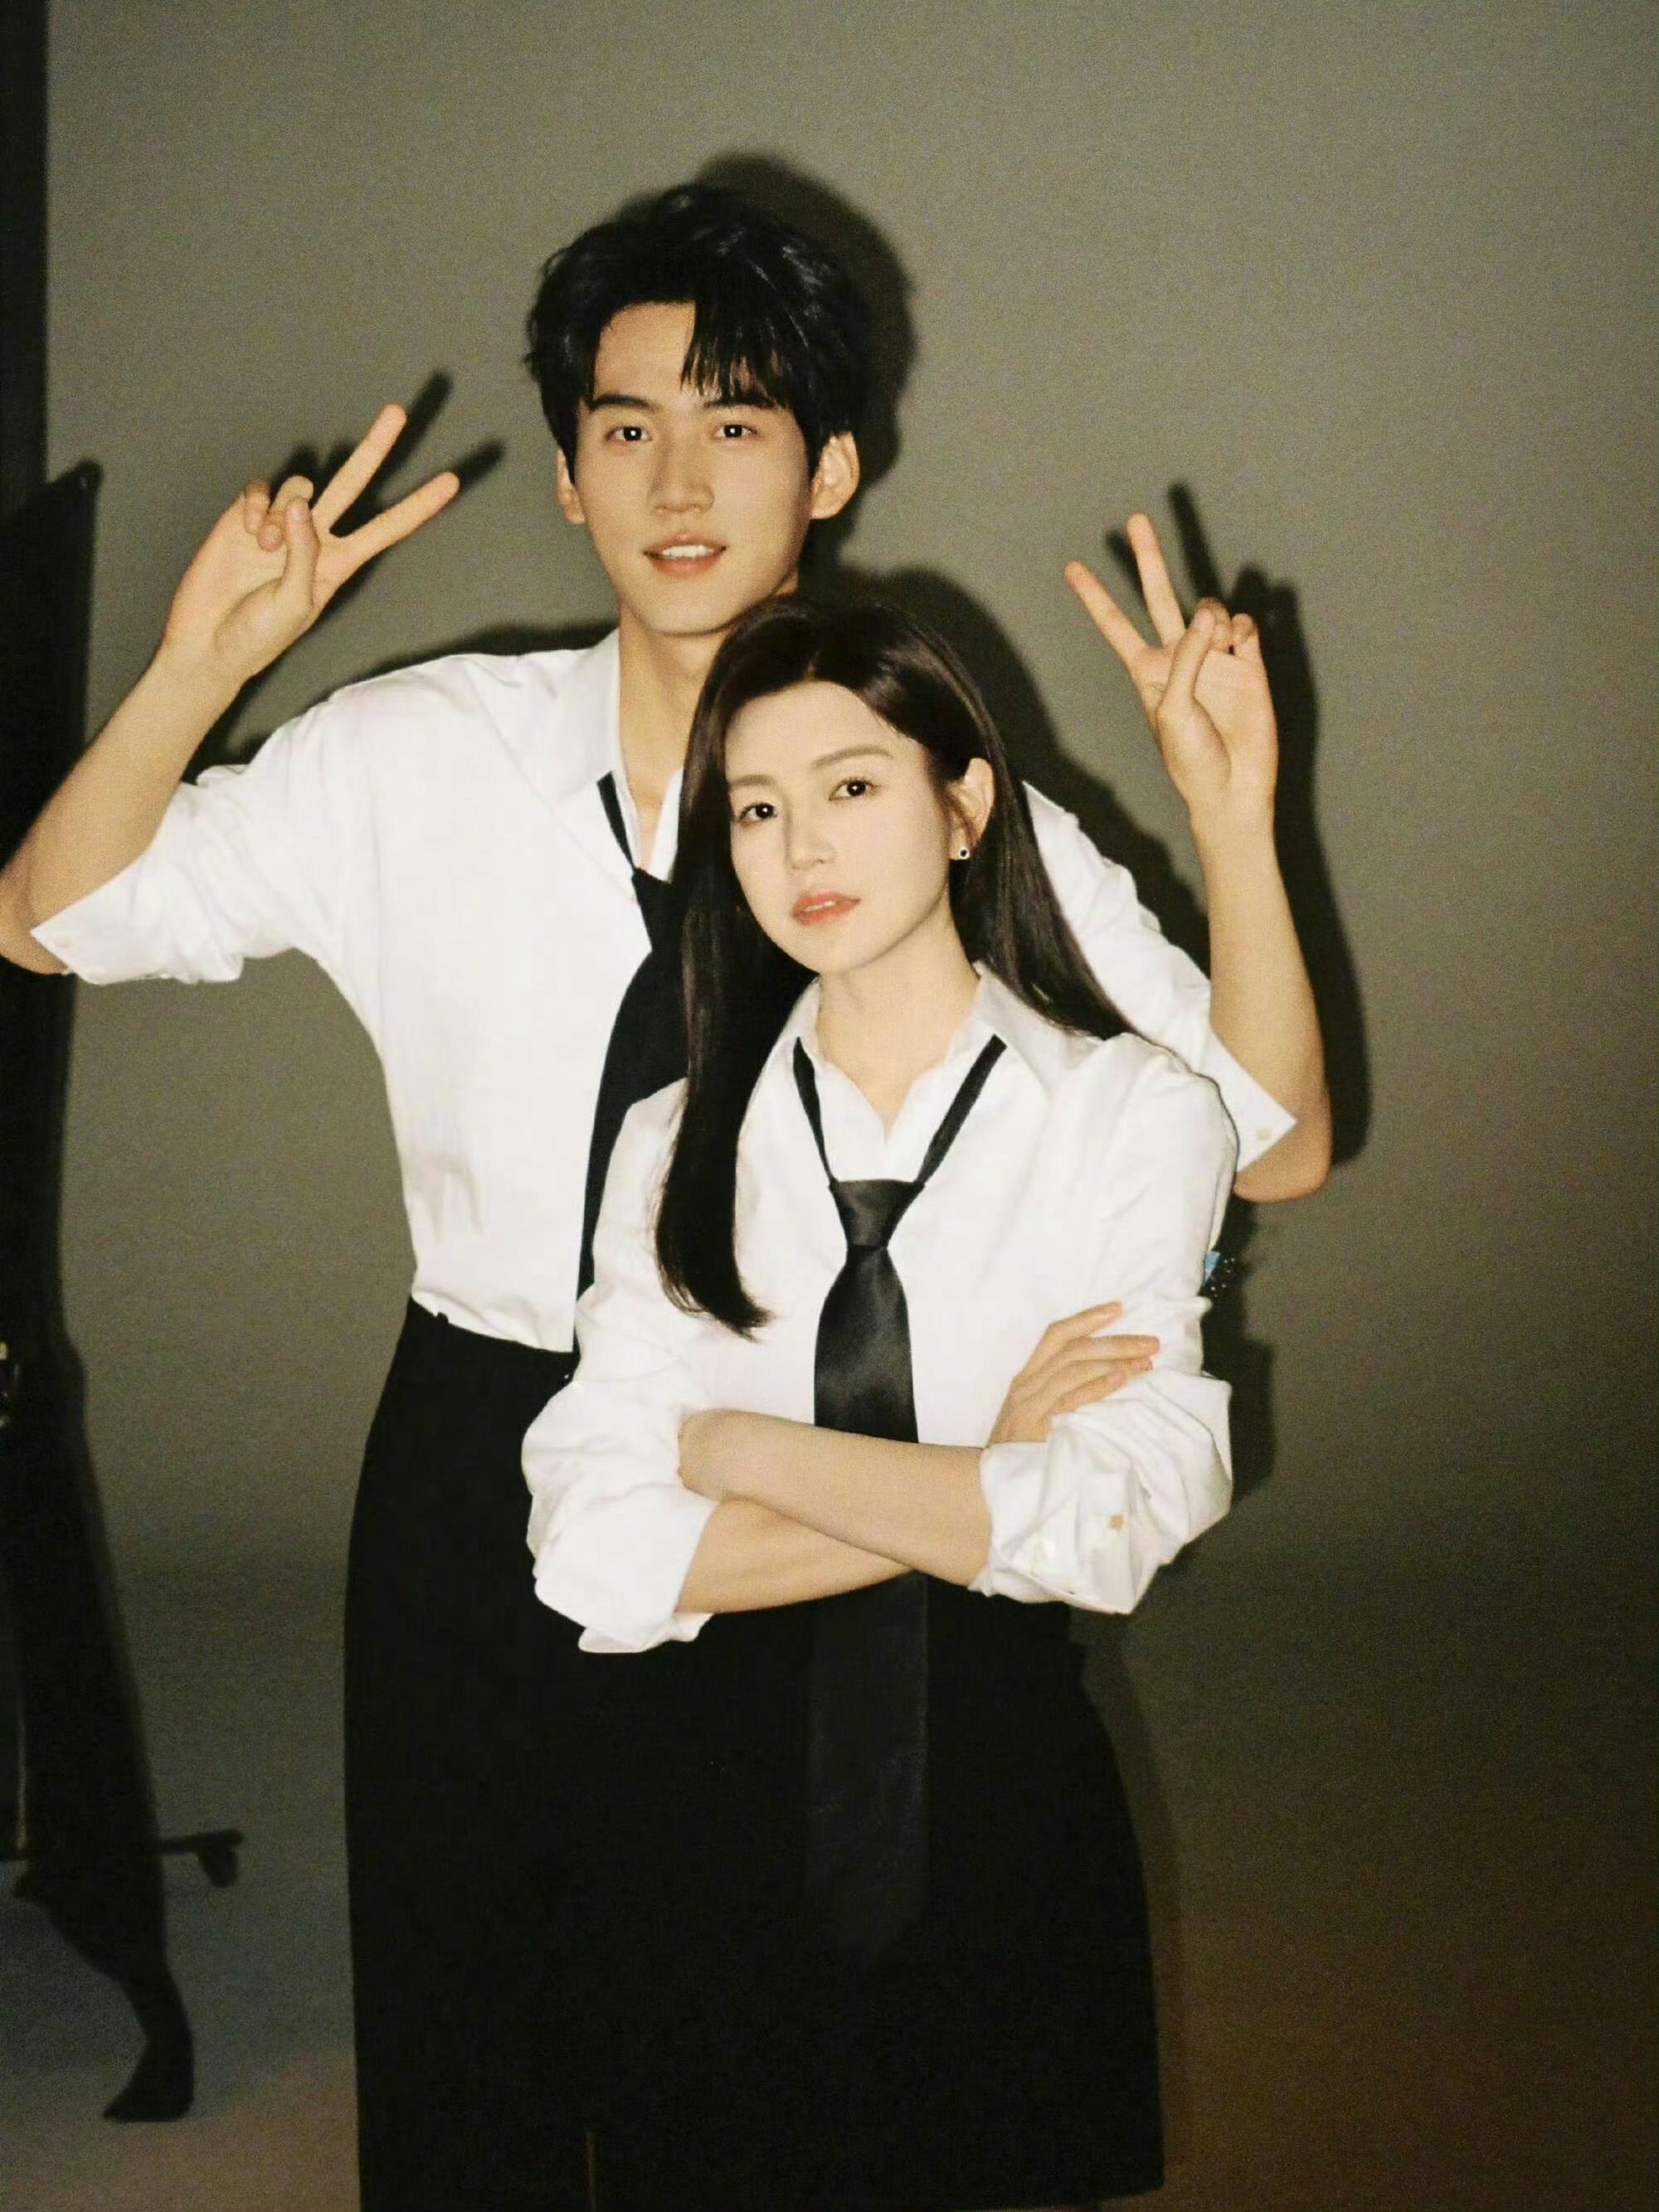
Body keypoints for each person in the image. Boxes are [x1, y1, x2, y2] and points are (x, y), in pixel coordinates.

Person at [0, 183, 1326, 2211]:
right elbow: (48, 914)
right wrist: (195, 671)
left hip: (791, 1466)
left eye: (739, 421)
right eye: (627, 426)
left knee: (747, 2061)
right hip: (479, 1434)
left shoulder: (911, 784)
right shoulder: (421, 756)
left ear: (833, 468)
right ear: (566, 471)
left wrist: (1235, 825)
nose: (680, 482)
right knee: (463, 2030)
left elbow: (1271, 1135)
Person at [523, 595, 1240, 2212]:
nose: (801, 848)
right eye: (756, 809)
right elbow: (591, 1547)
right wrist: (978, 1466)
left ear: (964, 801)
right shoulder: (671, 1142)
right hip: (699, 1807)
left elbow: (1116, 1518)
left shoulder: (1129, 1116)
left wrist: (740, 1451)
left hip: (1000, 1796)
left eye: (851, 785)